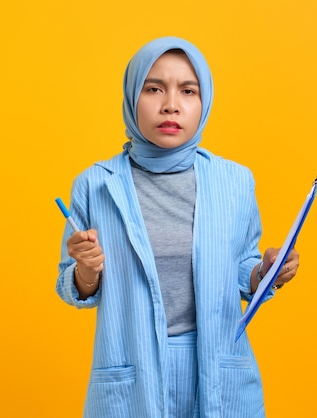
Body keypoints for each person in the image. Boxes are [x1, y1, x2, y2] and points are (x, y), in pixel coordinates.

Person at [56, 36, 300, 418]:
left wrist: (264, 272)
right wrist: (87, 270)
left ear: (204, 103)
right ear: (131, 96)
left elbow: (242, 270)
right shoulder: (95, 184)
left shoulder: (234, 181)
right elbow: (74, 288)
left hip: (216, 370)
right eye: (154, 88)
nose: (171, 104)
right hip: (131, 371)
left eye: (188, 90)